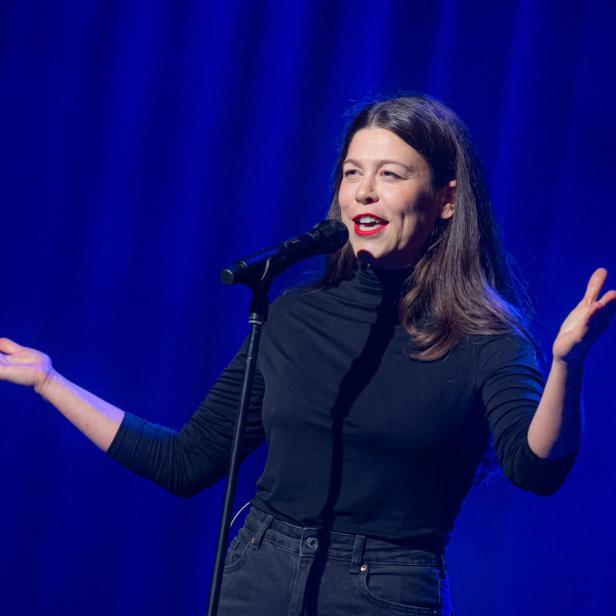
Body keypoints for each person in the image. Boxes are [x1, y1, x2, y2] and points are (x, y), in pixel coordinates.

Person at [1, 95, 614, 615]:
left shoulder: (485, 338)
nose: (364, 193)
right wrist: (48, 380)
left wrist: (567, 363)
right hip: (256, 576)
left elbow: (536, 470)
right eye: (352, 173)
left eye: (391, 175)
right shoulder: (294, 316)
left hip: (385, 590)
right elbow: (185, 462)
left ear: (447, 199)